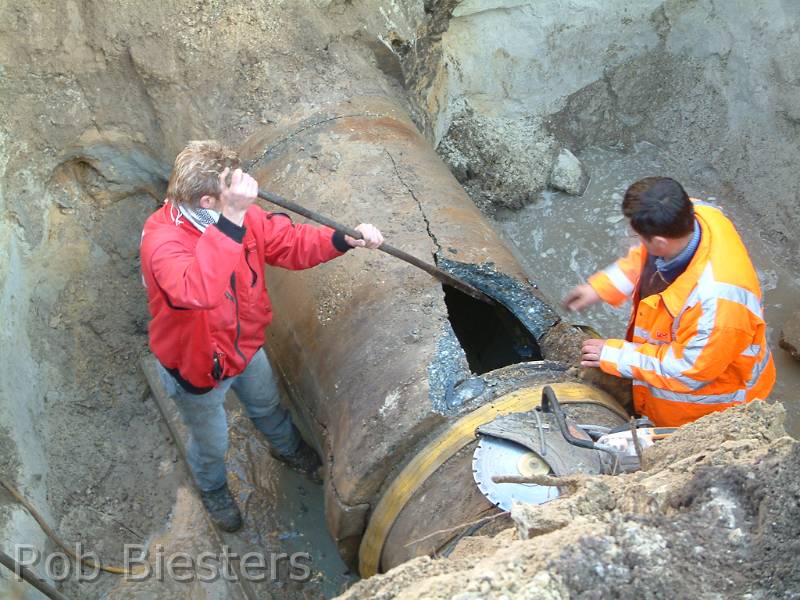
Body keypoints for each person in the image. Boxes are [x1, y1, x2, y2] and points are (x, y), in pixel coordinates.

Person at [140, 140, 384, 531]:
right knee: (212, 443)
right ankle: (213, 488)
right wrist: (232, 218)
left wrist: (341, 240)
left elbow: (289, 242)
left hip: (245, 347)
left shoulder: (241, 218)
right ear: (207, 201)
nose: (245, 190)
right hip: (196, 367)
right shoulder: (163, 243)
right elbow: (198, 291)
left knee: (268, 405)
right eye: (233, 187)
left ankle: (288, 449)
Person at [563, 176, 775, 428]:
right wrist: (600, 288)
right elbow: (644, 258)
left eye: (639, 236)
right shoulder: (692, 216)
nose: (637, 241)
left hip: (708, 405)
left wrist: (614, 356)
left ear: (661, 242)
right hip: (693, 362)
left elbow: (687, 370)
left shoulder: (717, 305)